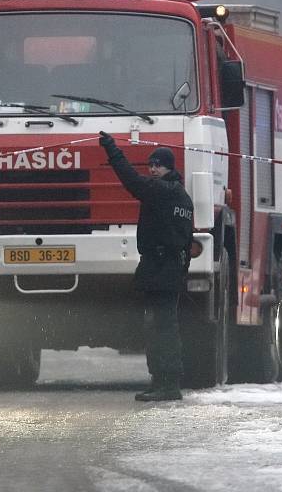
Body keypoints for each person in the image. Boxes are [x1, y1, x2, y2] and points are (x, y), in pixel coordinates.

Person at [99, 132, 194, 402]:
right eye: (151, 165)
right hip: (167, 267)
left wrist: (112, 150)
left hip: (161, 267)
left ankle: (167, 384)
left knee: (161, 328)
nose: (153, 170)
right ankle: (163, 382)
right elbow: (188, 239)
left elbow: (130, 180)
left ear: (169, 168)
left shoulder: (162, 192)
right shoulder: (182, 198)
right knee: (162, 326)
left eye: (158, 165)